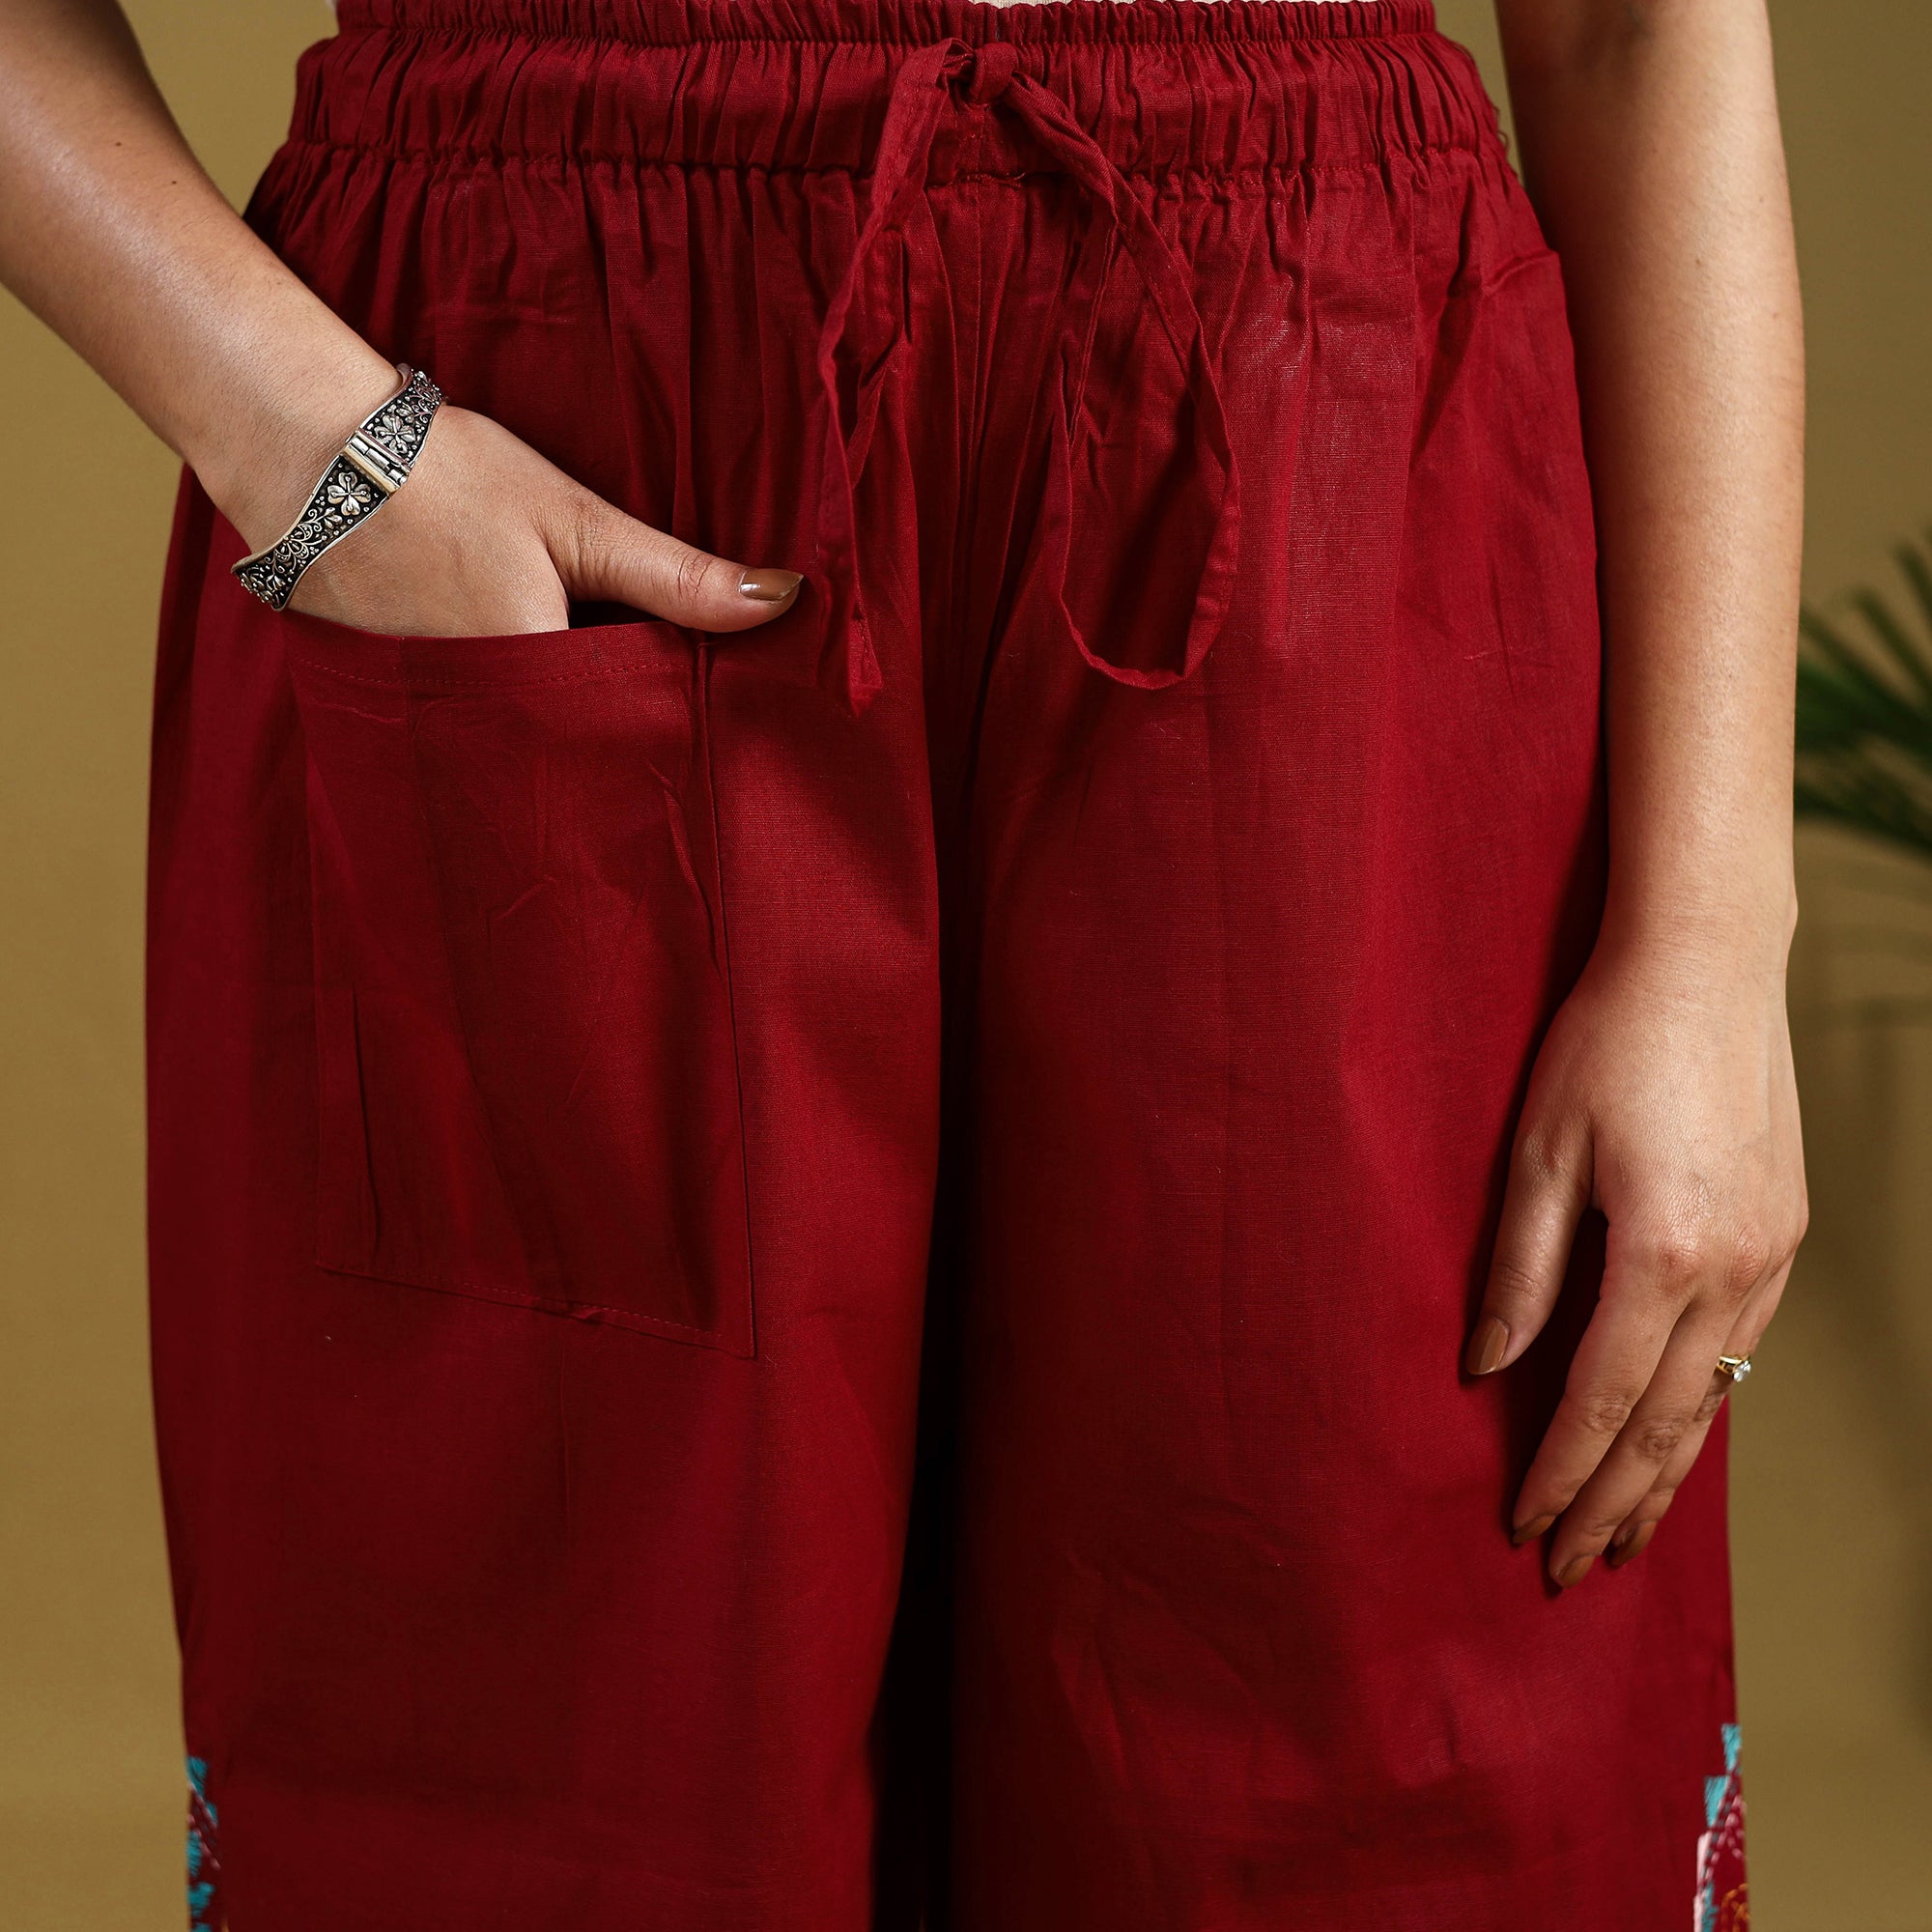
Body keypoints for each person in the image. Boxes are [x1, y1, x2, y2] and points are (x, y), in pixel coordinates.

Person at [0, 0, 1804, 1926]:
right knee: (556, 1779)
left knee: (1369, 1775)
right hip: (563, 391)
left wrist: (1710, 935)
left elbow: (1634, 28)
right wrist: (306, 437)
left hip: (1331, 439)